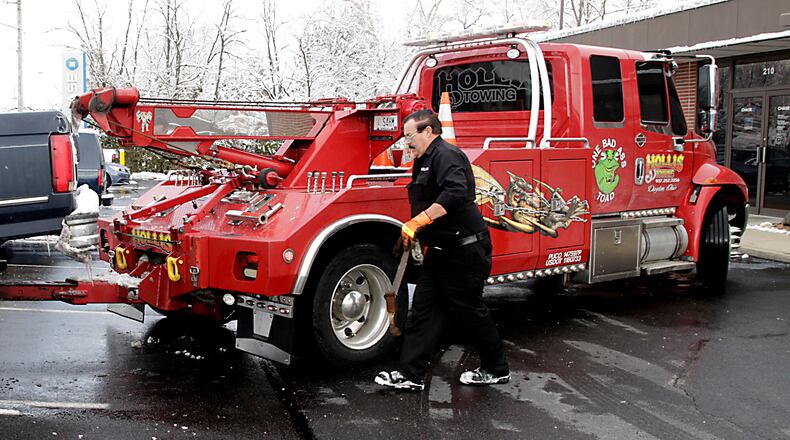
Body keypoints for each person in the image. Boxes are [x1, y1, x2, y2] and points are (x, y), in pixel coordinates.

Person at [375, 109, 510, 391]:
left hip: (464, 250)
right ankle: (411, 376)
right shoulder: (424, 160)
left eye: (409, 136)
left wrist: (420, 220)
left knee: (470, 311)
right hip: (440, 251)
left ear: (428, 131)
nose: (406, 143)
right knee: (423, 312)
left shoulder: (446, 155)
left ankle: (496, 369)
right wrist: (418, 231)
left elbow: (456, 192)